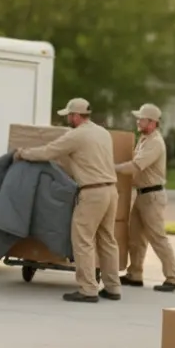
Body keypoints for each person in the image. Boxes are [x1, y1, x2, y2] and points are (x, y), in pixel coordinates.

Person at [14, 98, 122, 303]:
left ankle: (88, 289)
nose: (67, 120)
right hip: (110, 191)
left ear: (75, 115)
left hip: (92, 192)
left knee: (83, 239)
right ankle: (113, 287)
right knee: (107, 240)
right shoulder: (103, 133)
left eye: (69, 116)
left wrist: (23, 153)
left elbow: (48, 152)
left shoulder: (76, 136)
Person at [116, 103, 175, 292]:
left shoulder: (155, 142)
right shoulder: (144, 139)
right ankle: (134, 274)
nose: (138, 121)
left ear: (152, 123)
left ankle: (174, 277)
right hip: (142, 195)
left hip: (152, 196)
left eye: (142, 119)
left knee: (157, 237)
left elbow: (135, 166)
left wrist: (111, 168)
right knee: (136, 237)